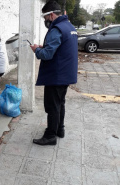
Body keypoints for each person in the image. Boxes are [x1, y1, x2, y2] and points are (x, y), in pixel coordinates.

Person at [30, 1, 78, 145]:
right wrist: (43, 46)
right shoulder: (69, 26)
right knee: (60, 103)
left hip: (57, 74)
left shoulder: (56, 29)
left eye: (45, 18)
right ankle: (59, 129)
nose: (45, 21)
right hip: (66, 73)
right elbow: (60, 46)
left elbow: (47, 55)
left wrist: (37, 50)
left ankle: (50, 135)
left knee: (52, 106)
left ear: (50, 15)